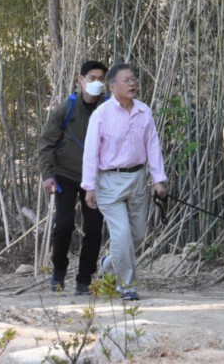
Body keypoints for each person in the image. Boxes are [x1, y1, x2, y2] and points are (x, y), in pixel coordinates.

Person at [81, 63, 167, 301]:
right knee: (121, 237)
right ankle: (126, 285)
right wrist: (89, 186)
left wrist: (158, 179)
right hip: (109, 181)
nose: (132, 84)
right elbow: (91, 152)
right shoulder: (102, 114)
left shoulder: (143, 111)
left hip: (138, 178)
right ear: (113, 86)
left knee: (137, 236)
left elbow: (152, 145)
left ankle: (108, 264)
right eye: (127, 80)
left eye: (134, 80)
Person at [38, 59, 108, 295]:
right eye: (92, 79)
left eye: (101, 80)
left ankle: (84, 279)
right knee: (64, 225)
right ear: (80, 79)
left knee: (94, 228)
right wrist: (47, 175)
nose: (96, 84)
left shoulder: (109, 108)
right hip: (66, 174)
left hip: (96, 179)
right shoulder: (65, 109)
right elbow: (46, 143)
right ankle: (58, 275)